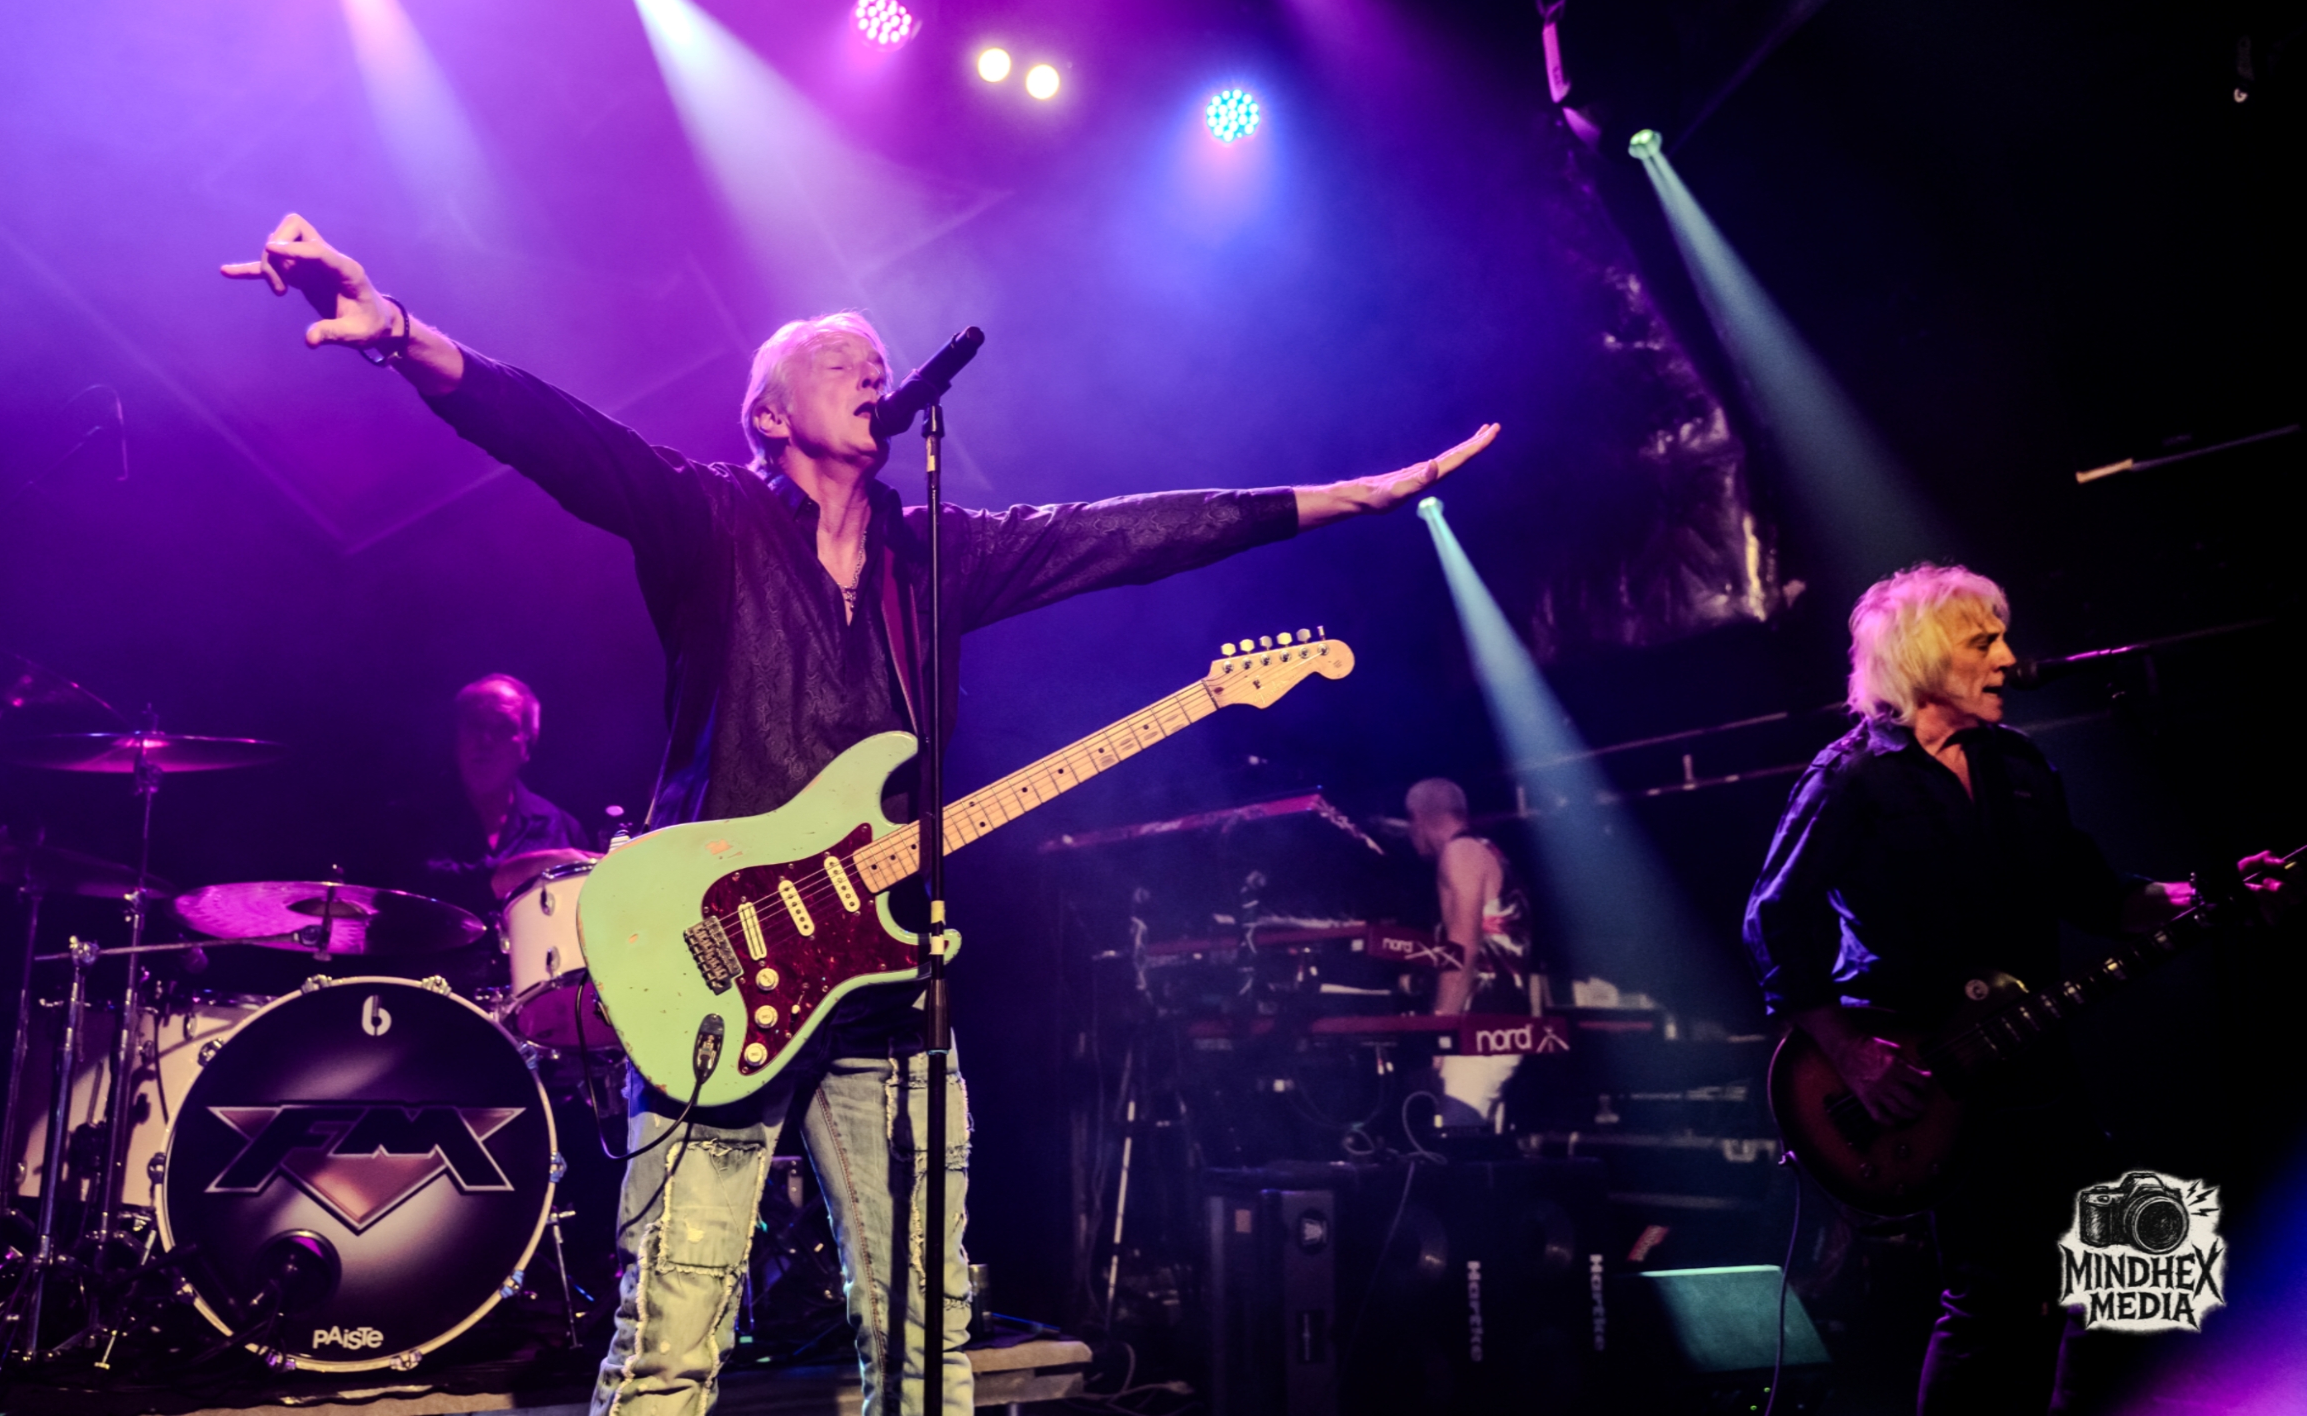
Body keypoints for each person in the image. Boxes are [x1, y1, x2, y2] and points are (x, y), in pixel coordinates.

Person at [223, 213, 1502, 1416]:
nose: (871, 365)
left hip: (886, 995)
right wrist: (398, 331)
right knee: (669, 1344)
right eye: (838, 358)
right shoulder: (707, 517)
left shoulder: (935, 553)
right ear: (769, 413)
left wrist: (1337, 499)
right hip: (716, 972)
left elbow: (1122, 534)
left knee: (926, 1346)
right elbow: (556, 434)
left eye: (876, 358)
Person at [1742, 563, 2284, 1413]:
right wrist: (1850, 1052)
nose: (2007, 657)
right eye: (1983, 641)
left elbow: (2099, 895)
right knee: (1992, 1292)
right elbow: (1772, 916)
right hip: (1926, 1080)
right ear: (1922, 655)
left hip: (2033, 1063)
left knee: (2140, 1269)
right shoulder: (1852, 777)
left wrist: (2206, 893)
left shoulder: (2021, 765)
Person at [1405, 777, 1532, 1129]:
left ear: (1417, 817)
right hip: (1499, 1023)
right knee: (1476, 1145)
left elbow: (1462, 950)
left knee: (1451, 1143)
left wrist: (1440, 1029)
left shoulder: (1460, 853)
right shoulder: (1488, 851)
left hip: (1479, 1025)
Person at [423, 672, 592, 902]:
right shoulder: (412, 817)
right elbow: (417, 887)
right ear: (457, 736)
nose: (485, 740)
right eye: (475, 725)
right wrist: (527, 868)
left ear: (528, 746)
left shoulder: (563, 828)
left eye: (503, 728)